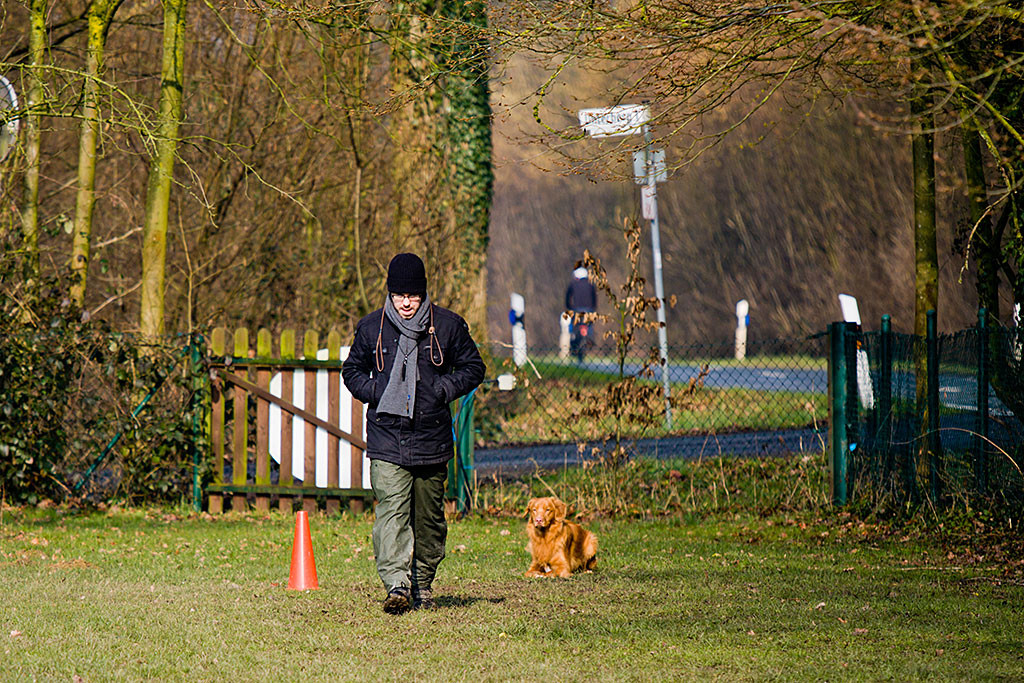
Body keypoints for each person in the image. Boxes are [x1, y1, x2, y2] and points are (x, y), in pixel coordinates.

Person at [342, 253, 485, 614]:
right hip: (386, 436)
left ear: (423, 293)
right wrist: (375, 392)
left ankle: (421, 583)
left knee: (429, 520)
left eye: (413, 296)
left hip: (431, 438)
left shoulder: (449, 327)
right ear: (389, 294)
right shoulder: (371, 328)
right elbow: (351, 371)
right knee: (392, 511)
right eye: (399, 295)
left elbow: (474, 367)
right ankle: (397, 586)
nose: (406, 303)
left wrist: (442, 389)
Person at [565, 266, 597, 361]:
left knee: (574, 328)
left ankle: (574, 342)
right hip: (589, 311)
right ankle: (589, 338)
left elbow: (568, 297)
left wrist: (569, 307)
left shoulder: (573, 284)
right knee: (589, 326)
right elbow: (594, 299)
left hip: (576, 310)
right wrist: (593, 309)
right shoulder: (591, 285)